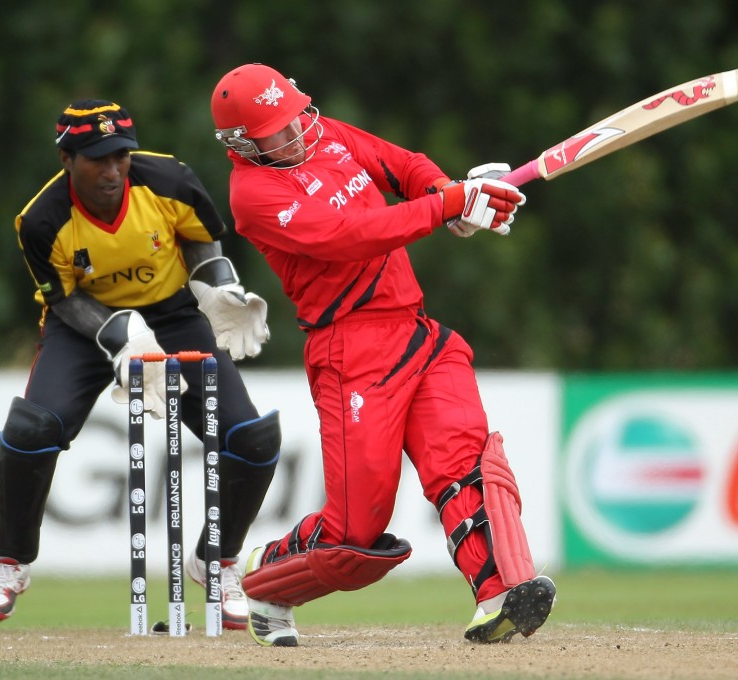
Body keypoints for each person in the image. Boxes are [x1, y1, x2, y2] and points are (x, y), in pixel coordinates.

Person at [208, 64, 557, 647]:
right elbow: (352, 235)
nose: (296, 133)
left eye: (297, 115)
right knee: (356, 533)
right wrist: (449, 205)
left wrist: (449, 194)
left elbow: (403, 165)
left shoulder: (326, 135)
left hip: (417, 332)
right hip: (351, 353)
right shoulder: (254, 194)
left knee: (463, 460)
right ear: (242, 143)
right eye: (276, 129)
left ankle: (498, 592)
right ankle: (265, 582)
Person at [0, 99, 280, 631]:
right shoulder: (42, 219)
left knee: (251, 440)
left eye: (120, 157)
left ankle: (217, 560)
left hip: (173, 315)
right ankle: (8, 562)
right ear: (67, 159)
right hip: (83, 328)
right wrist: (120, 334)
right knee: (31, 429)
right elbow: (63, 299)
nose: (113, 170)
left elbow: (203, 244)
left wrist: (220, 288)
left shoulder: (170, 181)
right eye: (97, 159)